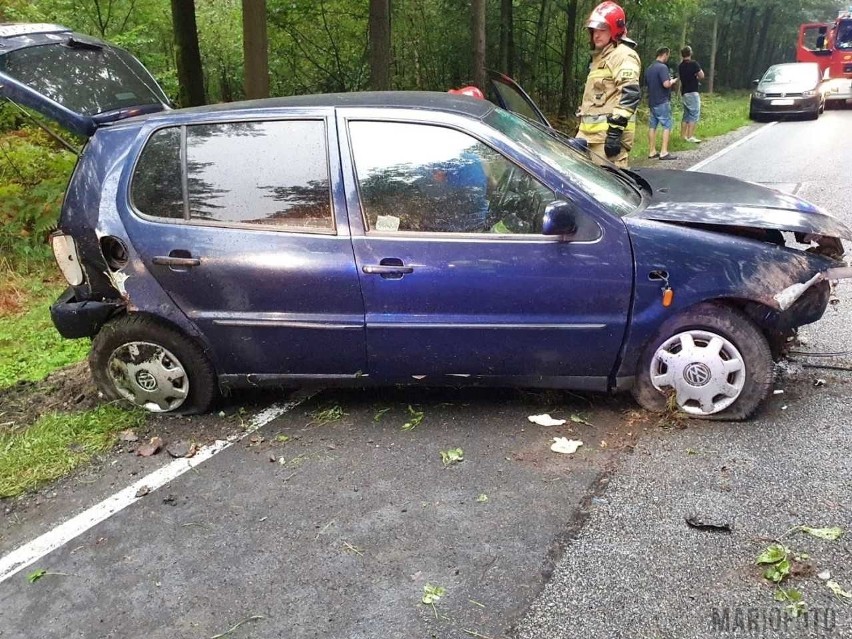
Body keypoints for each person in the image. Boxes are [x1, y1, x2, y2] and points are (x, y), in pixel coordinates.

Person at [575, 1, 641, 169]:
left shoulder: (623, 55)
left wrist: (615, 133)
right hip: (588, 140)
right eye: (594, 30)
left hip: (606, 142)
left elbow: (630, 93)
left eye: (602, 29)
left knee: (611, 192)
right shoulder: (600, 59)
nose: (596, 34)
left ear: (615, 30)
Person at [645, 46, 678, 160]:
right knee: (667, 125)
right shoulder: (663, 67)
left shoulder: (650, 68)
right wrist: (672, 81)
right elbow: (666, 84)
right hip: (662, 101)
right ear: (664, 54)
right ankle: (664, 152)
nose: (668, 58)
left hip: (652, 101)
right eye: (668, 55)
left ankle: (652, 151)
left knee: (652, 126)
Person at [678, 46, 705, 143]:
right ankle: (690, 136)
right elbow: (702, 75)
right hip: (693, 92)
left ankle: (683, 136)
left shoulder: (681, 66)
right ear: (690, 53)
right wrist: (696, 76)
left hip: (684, 92)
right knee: (694, 113)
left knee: (686, 114)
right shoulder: (694, 64)